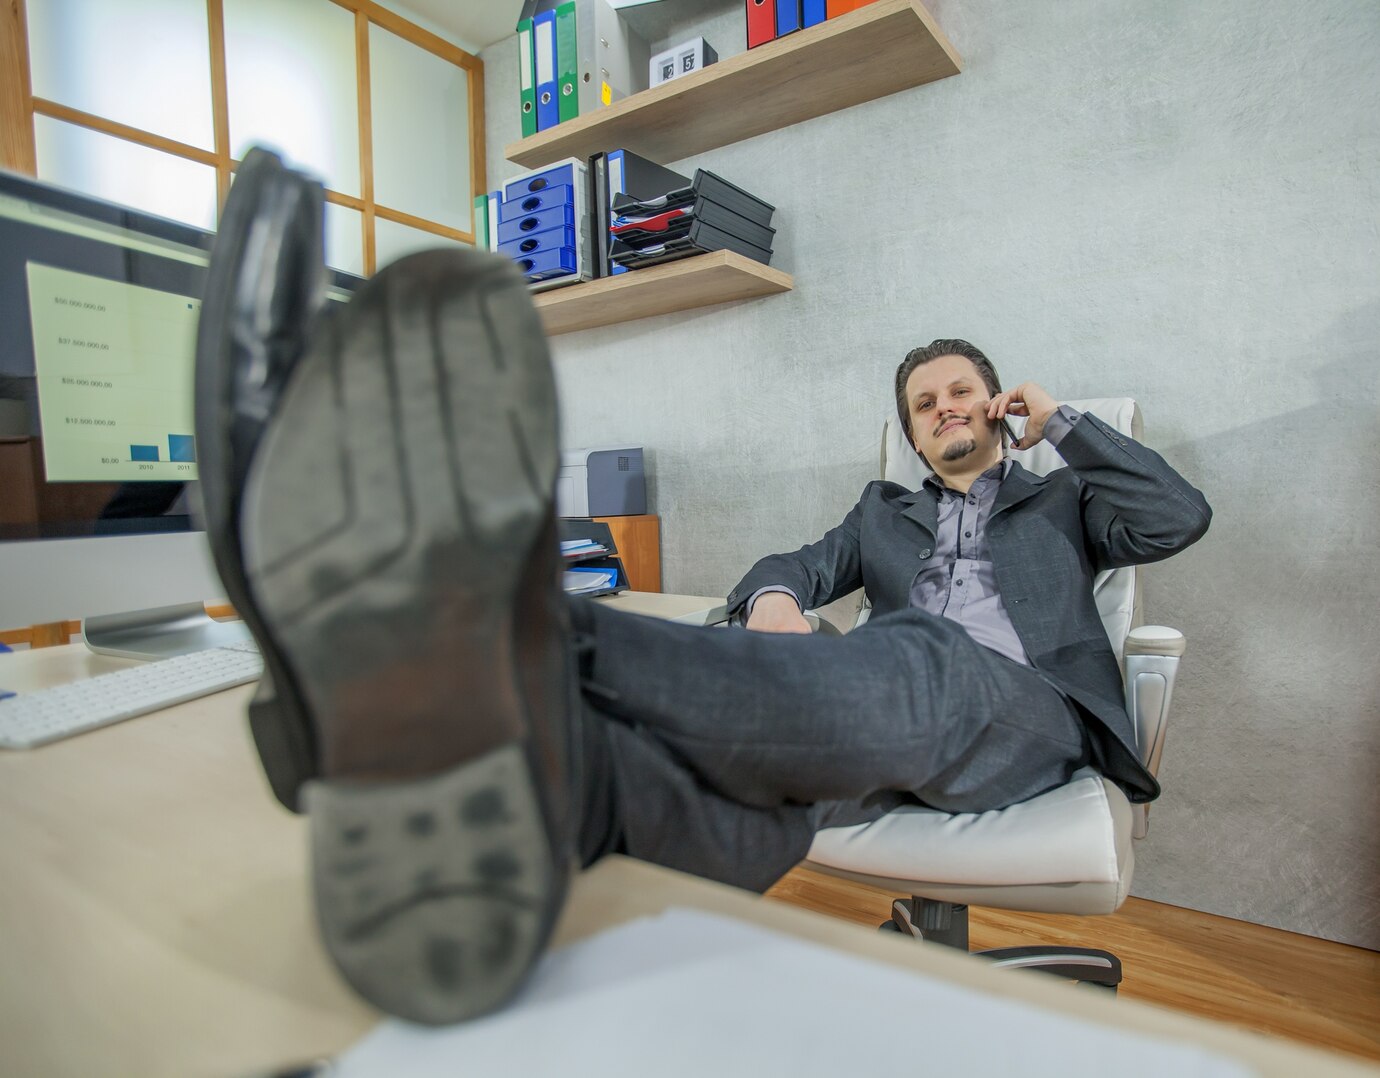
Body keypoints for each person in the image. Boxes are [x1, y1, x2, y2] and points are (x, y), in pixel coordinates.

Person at [195, 151, 1211, 1028]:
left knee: (920, 658)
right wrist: (773, 604)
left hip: (1026, 716)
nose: (943, 409)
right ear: (911, 436)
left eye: (959, 393)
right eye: (922, 404)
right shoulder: (880, 514)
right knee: (736, 796)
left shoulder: (1063, 501)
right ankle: (483, 880)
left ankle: (453, 637)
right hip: (888, 721)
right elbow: (789, 570)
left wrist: (1063, 419)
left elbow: (1177, 516)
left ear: (995, 407)